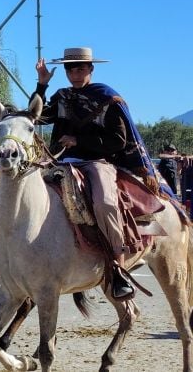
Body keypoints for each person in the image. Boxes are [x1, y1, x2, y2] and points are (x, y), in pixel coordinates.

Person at [35, 47, 161, 301]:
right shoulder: (61, 96)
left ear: (91, 69)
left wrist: (78, 139)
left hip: (96, 162)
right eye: (70, 68)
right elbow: (36, 114)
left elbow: (118, 140)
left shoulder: (107, 98)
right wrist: (41, 85)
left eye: (80, 67)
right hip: (60, 162)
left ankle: (118, 266)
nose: (75, 72)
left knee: (104, 202)